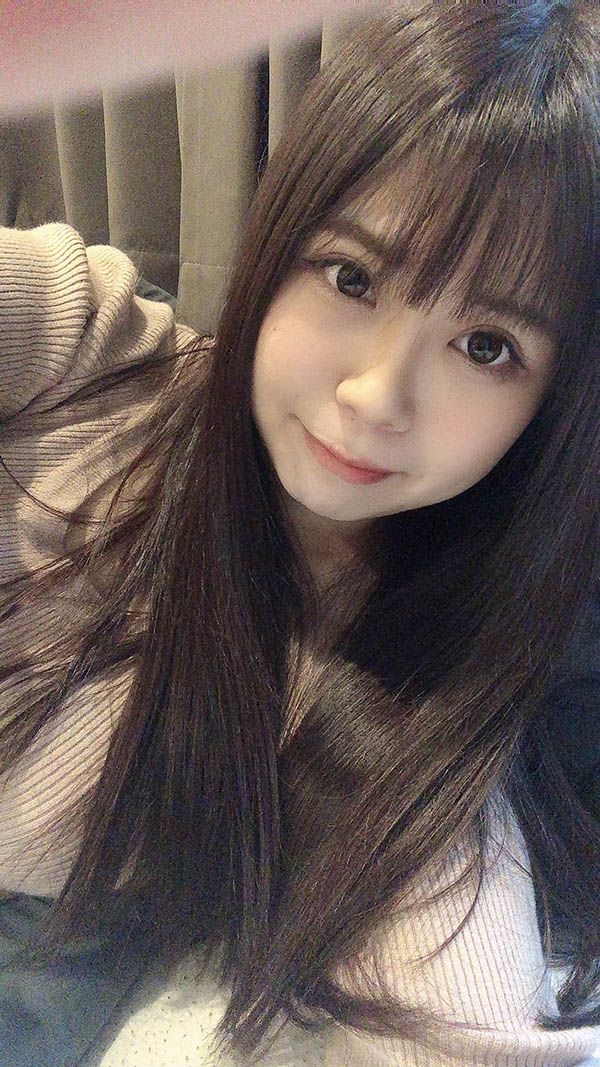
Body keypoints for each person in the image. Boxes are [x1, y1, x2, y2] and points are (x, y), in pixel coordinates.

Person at [0, 2, 599, 1065]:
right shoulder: (93, 359)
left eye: (487, 345)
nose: (375, 396)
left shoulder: (412, 711)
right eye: (352, 276)